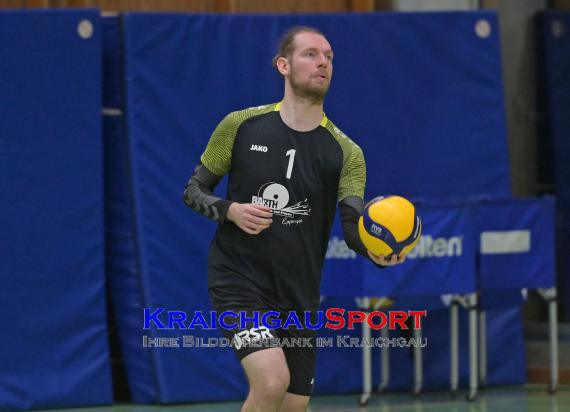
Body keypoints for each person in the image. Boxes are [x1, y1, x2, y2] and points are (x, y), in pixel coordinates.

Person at [183, 26, 406, 412]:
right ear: (283, 65)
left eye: (329, 57)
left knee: (291, 404)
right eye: (311, 54)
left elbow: (353, 224)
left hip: (298, 292)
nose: (323, 62)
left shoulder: (346, 152)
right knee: (272, 381)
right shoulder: (240, 125)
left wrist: (377, 251)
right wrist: (231, 210)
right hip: (238, 278)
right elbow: (193, 191)